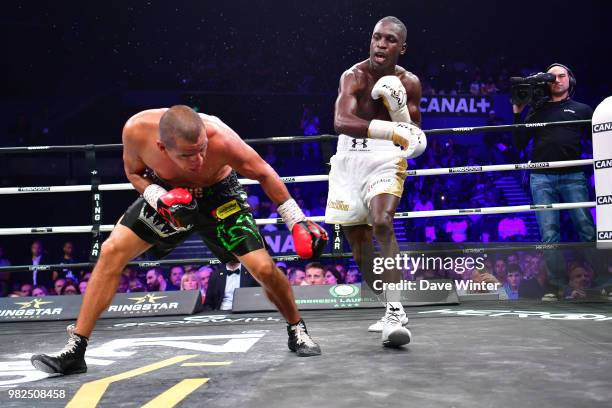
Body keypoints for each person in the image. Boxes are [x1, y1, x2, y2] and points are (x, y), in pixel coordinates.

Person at [31, 105, 328, 376]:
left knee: (264, 270)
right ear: (162, 147)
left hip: (220, 197)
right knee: (111, 250)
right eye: (187, 155)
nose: (198, 160)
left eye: (201, 150)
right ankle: (76, 348)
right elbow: (133, 173)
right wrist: (159, 197)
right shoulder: (137, 131)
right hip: (168, 196)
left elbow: (263, 172)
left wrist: (295, 220)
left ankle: (296, 328)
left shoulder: (221, 137)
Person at [324, 16, 426, 347]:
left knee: (382, 221)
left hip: (385, 157)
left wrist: (398, 113)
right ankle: (387, 305)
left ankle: (396, 310)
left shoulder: (410, 83)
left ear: (402, 47)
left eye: (390, 40)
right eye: (377, 37)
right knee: (358, 242)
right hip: (349, 158)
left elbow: (413, 137)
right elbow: (340, 120)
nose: (381, 44)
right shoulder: (354, 76)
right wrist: (390, 128)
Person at [512, 63, 595, 298]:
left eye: (561, 76)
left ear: (570, 79)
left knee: (586, 228)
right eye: (552, 77)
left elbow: (599, 139)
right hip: (541, 177)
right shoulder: (537, 111)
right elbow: (519, 143)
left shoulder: (582, 110)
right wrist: (518, 111)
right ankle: (556, 286)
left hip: (573, 175)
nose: (557, 80)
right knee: (549, 234)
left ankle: (603, 282)